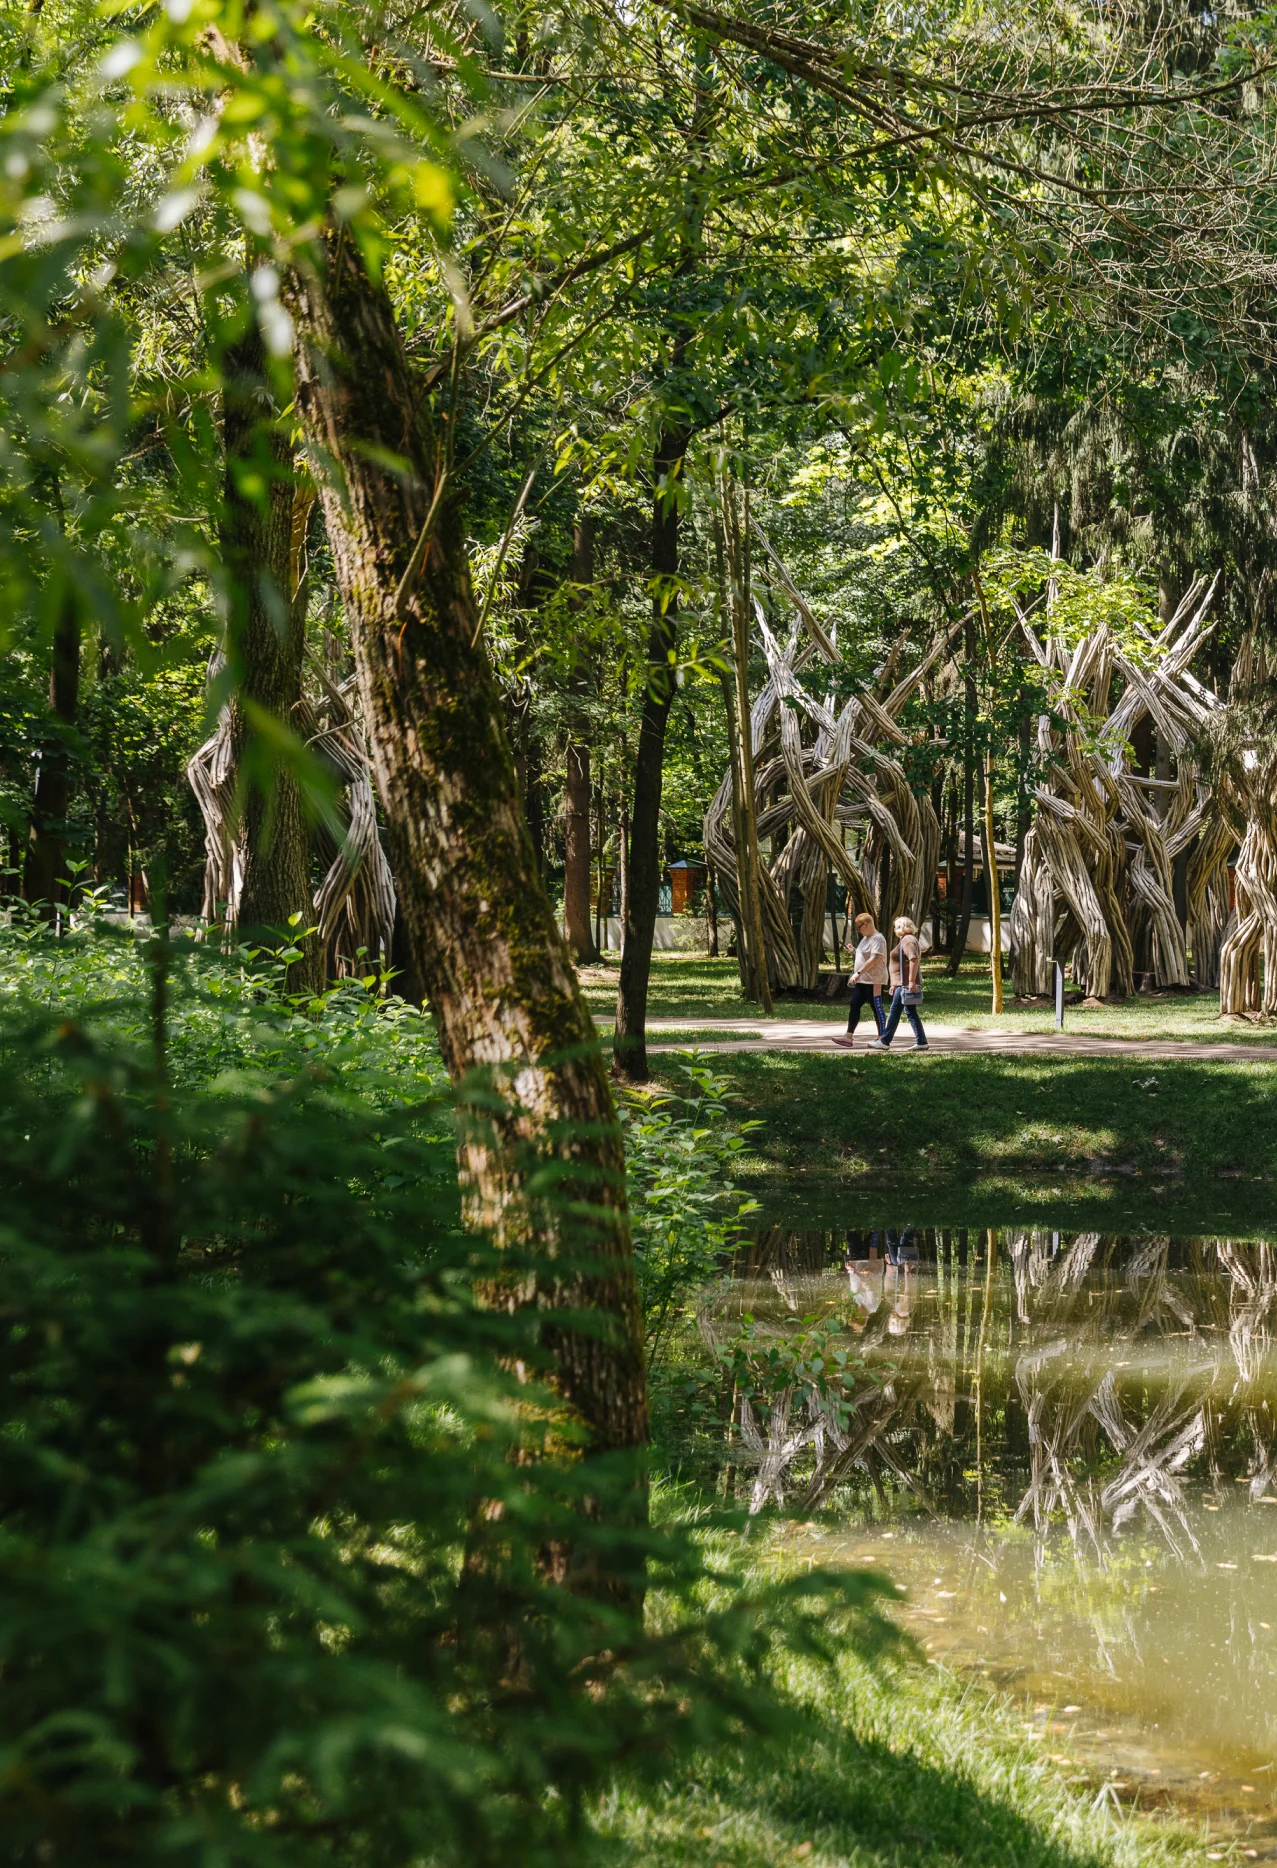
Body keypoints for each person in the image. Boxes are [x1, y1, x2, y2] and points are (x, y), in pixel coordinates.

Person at [870, 916, 929, 1051]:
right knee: (910, 1011)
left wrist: (911, 982)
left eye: (896, 926)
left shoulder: (908, 940)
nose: (895, 929)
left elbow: (913, 959)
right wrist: (894, 983)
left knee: (895, 1010)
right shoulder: (907, 939)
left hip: (905, 984)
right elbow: (903, 964)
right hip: (901, 983)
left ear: (901, 927)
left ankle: (884, 1041)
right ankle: (921, 1041)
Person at [830, 911, 887, 1049]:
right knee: (854, 1005)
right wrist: (854, 950)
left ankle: (883, 1038)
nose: (859, 931)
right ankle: (848, 1037)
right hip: (862, 980)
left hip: (874, 980)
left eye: (859, 927)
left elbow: (875, 959)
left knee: (876, 1007)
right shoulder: (866, 938)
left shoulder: (877, 939)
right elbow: (865, 954)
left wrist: (858, 972)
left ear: (866, 924)